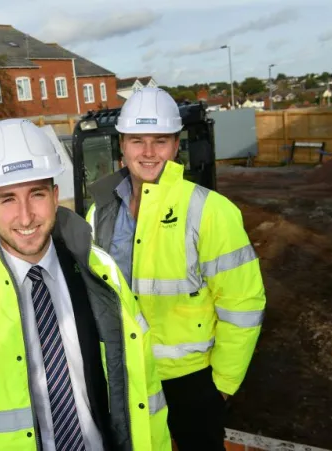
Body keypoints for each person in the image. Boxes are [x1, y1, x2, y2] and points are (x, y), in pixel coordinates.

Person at [0, 118, 172, 451]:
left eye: (36, 194)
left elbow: (143, 387)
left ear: (55, 195)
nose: (26, 216)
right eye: (7, 200)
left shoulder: (100, 272)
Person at [85, 87, 266, 451]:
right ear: (122, 145)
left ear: (175, 145)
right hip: (126, 375)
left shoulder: (210, 211)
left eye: (160, 141)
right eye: (137, 140)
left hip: (191, 381)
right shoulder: (98, 212)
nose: (148, 152)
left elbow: (243, 304)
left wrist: (221, 386)